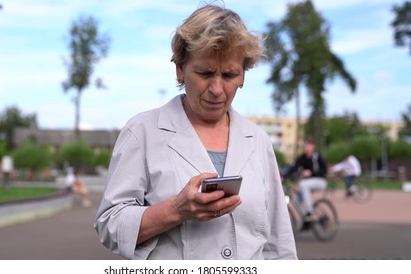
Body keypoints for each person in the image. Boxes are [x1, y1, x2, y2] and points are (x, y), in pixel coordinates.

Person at [94, 5, 297, 260]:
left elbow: (279, 244)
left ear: (243, 75)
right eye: (205, 73)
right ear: (180, 68)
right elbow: (109, 225)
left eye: (230, 75)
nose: (216, 88)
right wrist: (176, 210)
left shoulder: (258, 140)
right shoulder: (142, 132)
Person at [282, 138, 327, 219]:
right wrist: (283, 177)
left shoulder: (317, 157)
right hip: (307, 184)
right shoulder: (302, 158)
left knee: (303, 185)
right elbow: (293, 169)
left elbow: (324, 170)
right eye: (304, 145)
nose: (305, 147)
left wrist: (311, 173)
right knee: (295, 198)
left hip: (320, 181)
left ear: (313, 146)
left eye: (308, 145)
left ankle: (311, 212)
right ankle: (305, 218)